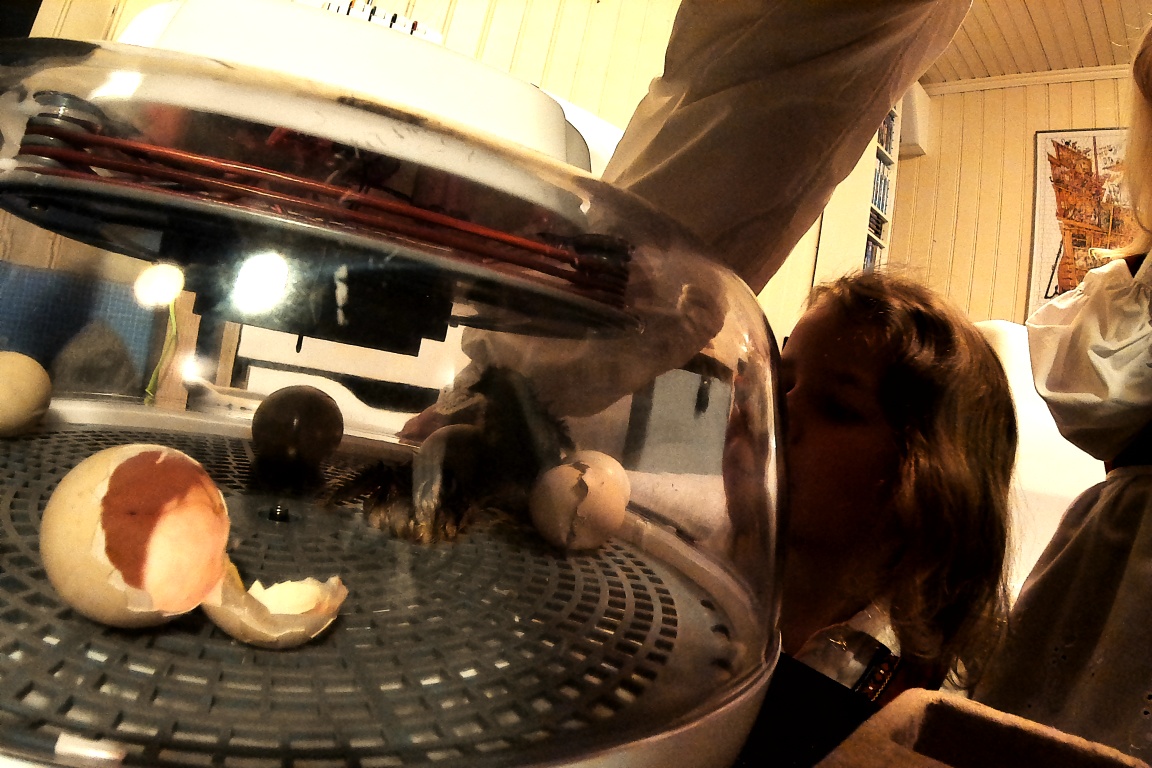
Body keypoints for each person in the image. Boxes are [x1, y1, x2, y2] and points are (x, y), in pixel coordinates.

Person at [779, 271, 1017, 703]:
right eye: (778, 384)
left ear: (931, 479)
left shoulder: (919, 690)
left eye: (837, 407)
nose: (777, 410)